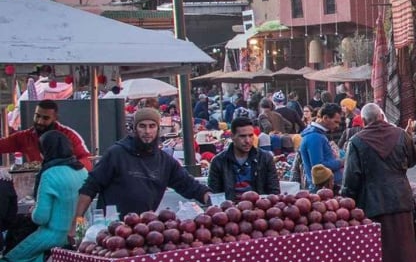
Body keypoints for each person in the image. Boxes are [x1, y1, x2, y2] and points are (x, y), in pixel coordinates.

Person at [342, 103, 416, 262]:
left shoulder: (357, 142)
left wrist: (347, 199)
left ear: (364, 121)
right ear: (382, 116)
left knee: (378, 253)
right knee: (405, 249)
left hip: (372, 201)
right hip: (400, 197)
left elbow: (352, 176)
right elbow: (414, 160)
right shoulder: (400, 135)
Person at [75, 108, 211, 218]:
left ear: (158, 129)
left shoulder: (165, 162)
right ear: (134, 129)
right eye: (142, 126)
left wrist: (210, 198)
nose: (147, 131)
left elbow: (189, 185)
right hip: (112, 229)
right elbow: (90, 187)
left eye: (152, 126)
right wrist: (77, 221)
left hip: (143, 231)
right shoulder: (116, 153)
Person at [2, 130, 87, 262]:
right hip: (80, 233)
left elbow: (41, 218)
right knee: (39, 256)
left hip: (54, 234)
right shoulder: (82, 170)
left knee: (16, 255)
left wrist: (34, 209)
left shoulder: (49, 174)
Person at [0, 100, 93, 170]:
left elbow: (87, 161)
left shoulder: (69, 135)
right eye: (37, 116)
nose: (40, 121)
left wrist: (65, 170)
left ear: (55, 118)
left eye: (45, 118)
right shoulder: (25, 137)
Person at [207, 118, 280, 200]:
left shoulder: (265, 158)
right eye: (242, 136)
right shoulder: (218, 161)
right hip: (230, 209)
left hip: (259, 209)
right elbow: (215, 195)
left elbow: (274, 192)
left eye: (250, 135)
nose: (248, 141)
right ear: (232, 136)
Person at [298, 104, 345, 190]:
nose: (337, 126)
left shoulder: (318, 135)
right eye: (336, 122)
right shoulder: (314, 137)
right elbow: (318, 167)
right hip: (323, 189)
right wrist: (341, 162)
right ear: (325, 118)